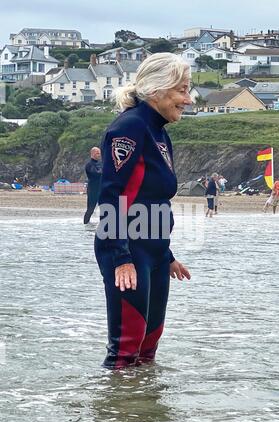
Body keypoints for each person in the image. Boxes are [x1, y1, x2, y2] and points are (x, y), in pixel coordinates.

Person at [94, 53, 192, 369]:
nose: (188, 100)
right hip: (125, 250)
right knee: (125, 351)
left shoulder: (160, 132)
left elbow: (152, 200)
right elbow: (112, 196)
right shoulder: (129, 127)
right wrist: (120, 258)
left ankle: (144, 414)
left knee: (148, 351)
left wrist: (166, 254)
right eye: (182, 90)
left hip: (152, 251)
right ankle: (112, 414)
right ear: (156, 90)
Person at [83, 147, 102, 224]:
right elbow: (95, 174)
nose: (99, 155)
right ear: (93, 153)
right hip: (92, 190)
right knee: (90, 209)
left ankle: (103, 224)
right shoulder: (89, 164)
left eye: (99, 153)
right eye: (97, 153)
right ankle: (86, 224)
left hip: (101, 189)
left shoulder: (101, 163)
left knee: (104, 208)